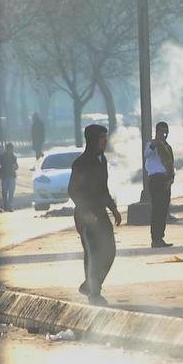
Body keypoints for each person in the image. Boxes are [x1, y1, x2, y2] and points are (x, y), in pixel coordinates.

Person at [68, 124, 122, 306]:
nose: (105, 141)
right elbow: (73, 191)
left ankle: (89, 284)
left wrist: (113, 208)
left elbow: (103, 189)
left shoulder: (102, 160)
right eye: (101, 138)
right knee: (92, 254)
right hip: (85, 215)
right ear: (92, 140)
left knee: (109, 251)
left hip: (100, 211)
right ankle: (94, 293)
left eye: (106, 137)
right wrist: (86, 212)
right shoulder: (80, 163)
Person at [144, 121, 175, 248]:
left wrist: (170, 179)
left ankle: (160, 237)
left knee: (163, 210)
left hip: (165, 180)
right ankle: (155, 238)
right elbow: (146, 154)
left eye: (165, 131)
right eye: (161, 131)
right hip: (155, 180)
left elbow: (171, 164)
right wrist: (155, 144)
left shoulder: (167, 147)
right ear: (156, 132)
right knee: (157, 209)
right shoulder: (152, 145)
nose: (164, 134)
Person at [0, 143, 18, 212]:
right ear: (6, 149)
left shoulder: (14, 157)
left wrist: (15, 167)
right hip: (4, 176)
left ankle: (10, 207)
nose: (11, 150)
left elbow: (17, 166)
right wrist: (0, 173)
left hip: (12, 176)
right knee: (4, 192)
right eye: (10, 149)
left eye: (12, 149)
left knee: (11, 192)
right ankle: (5, 206)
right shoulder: (2, 157)